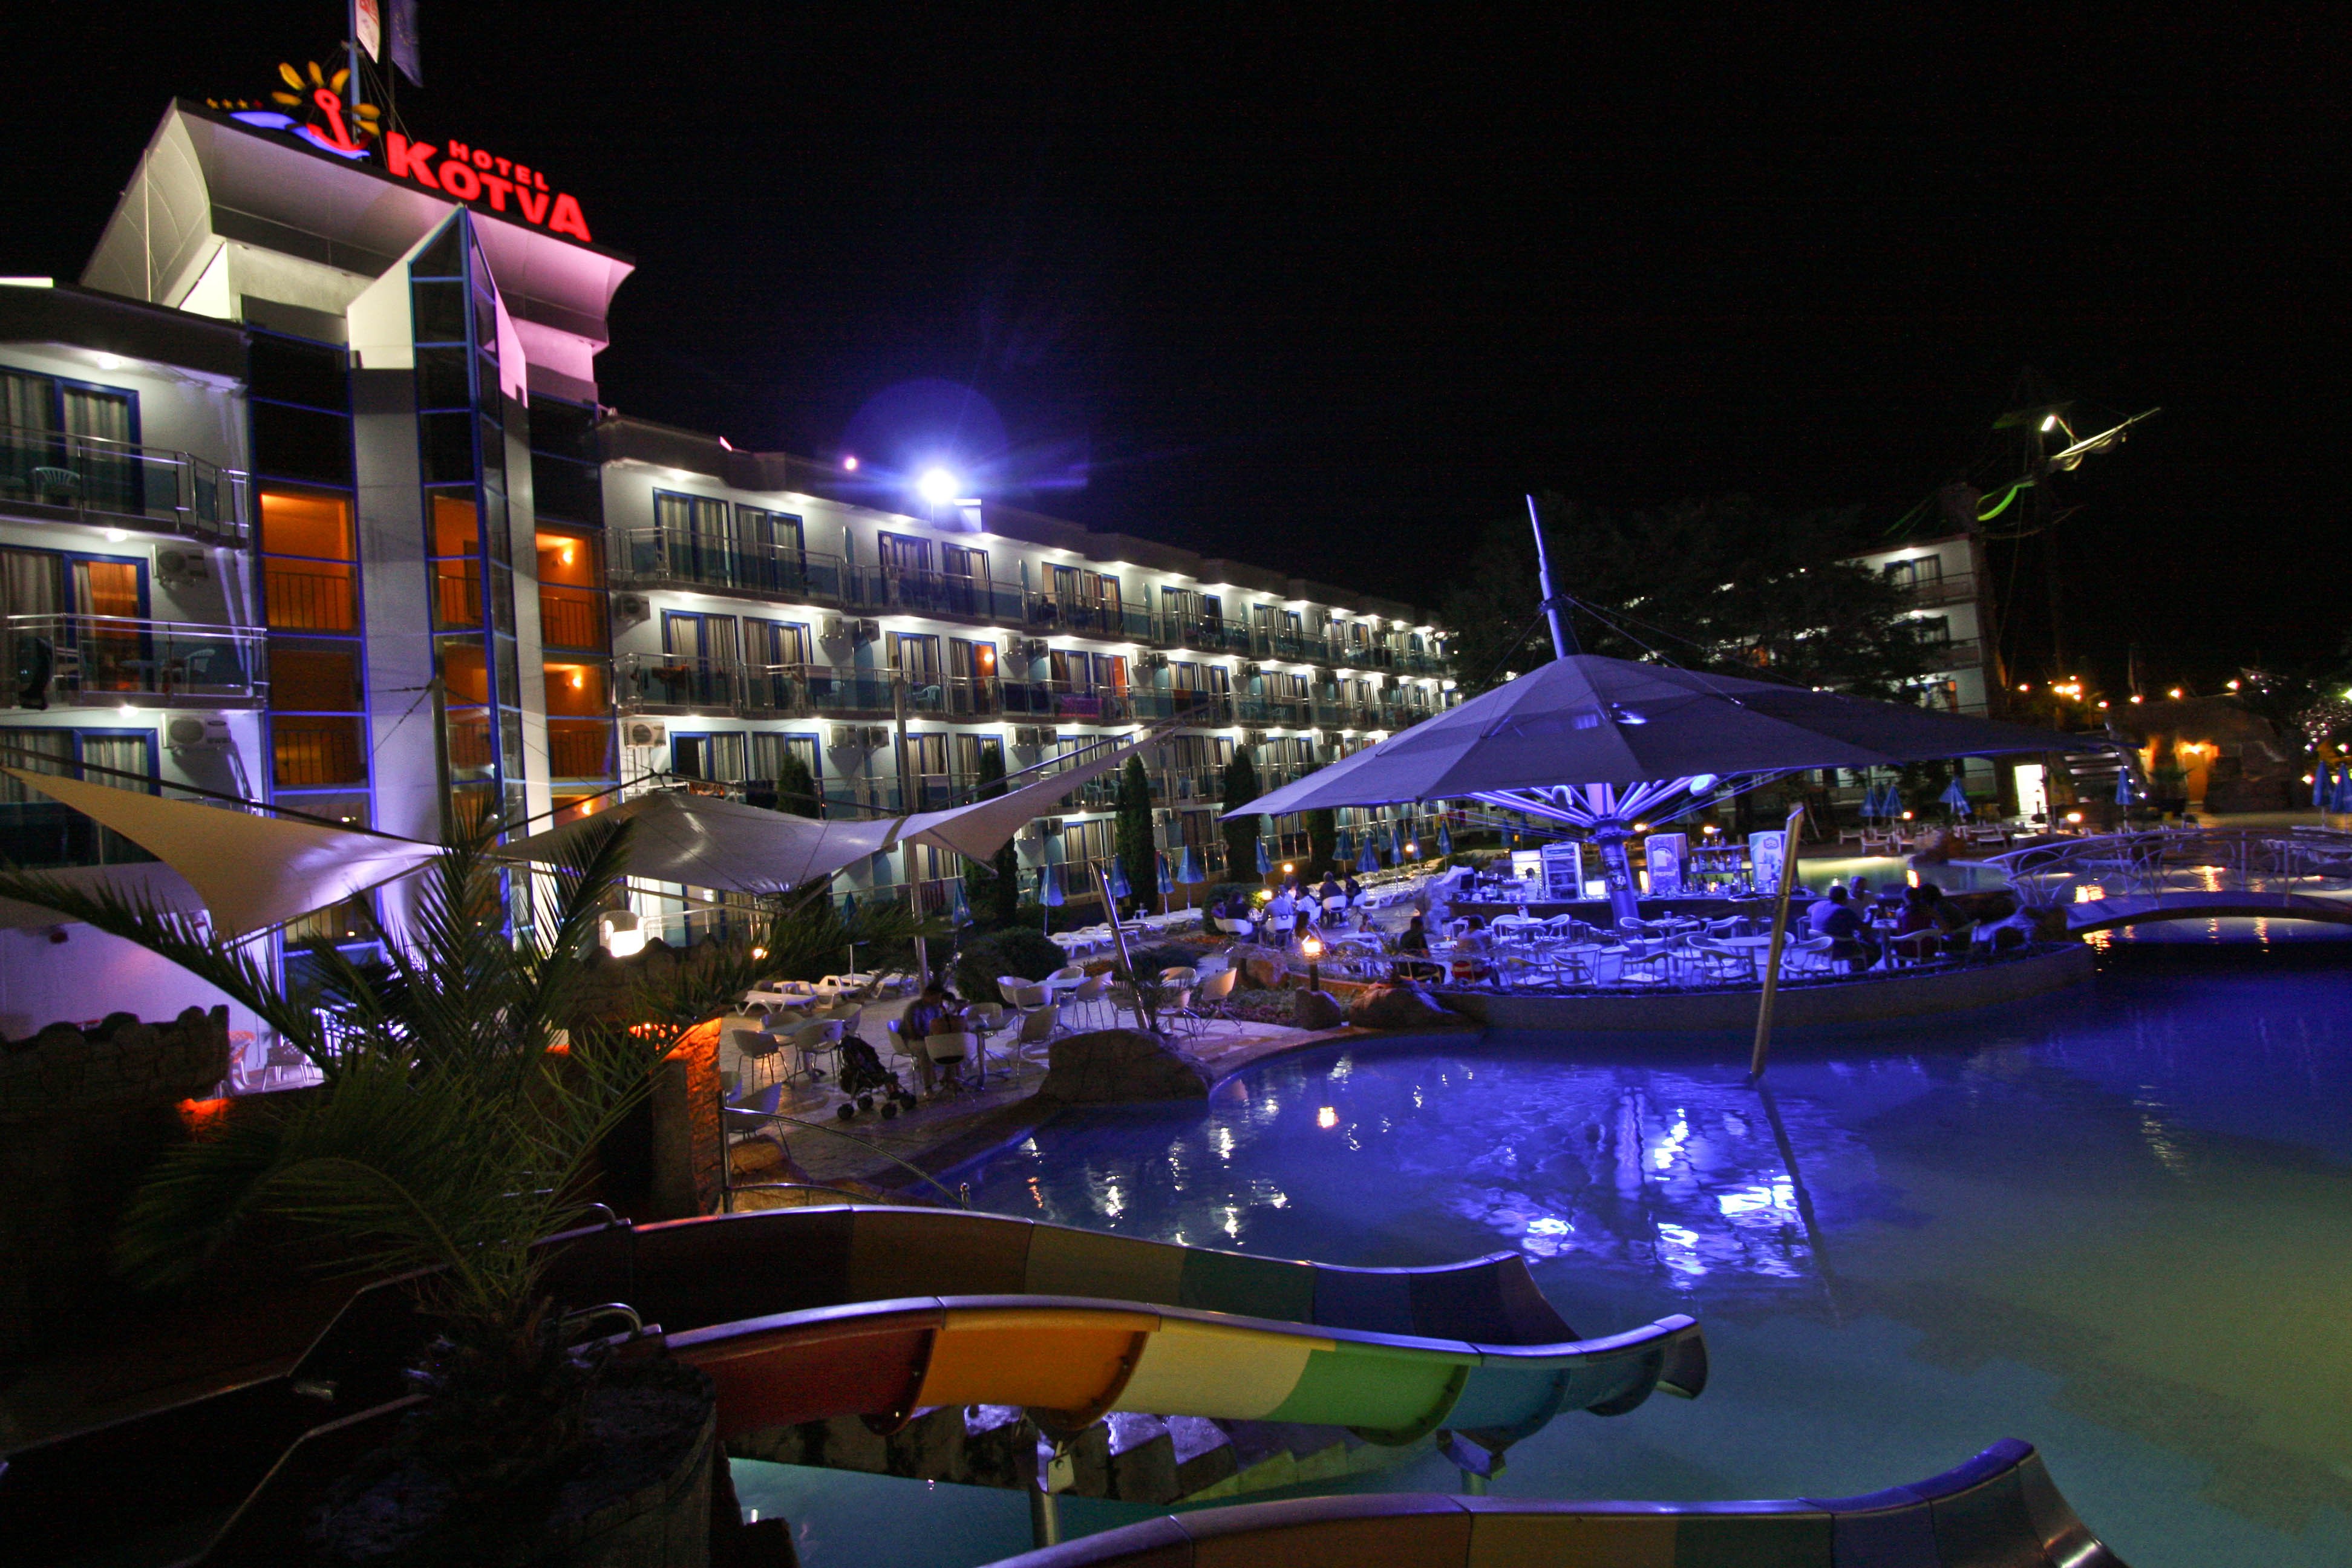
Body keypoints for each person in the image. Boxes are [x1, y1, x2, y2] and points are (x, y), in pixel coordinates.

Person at [900, 980, 965, 1094]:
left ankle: (949, 1078)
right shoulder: (914, 1008)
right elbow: (912, 1031)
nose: (939, 1001)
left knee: (953, 1045)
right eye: (937, 998)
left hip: (931, 1038)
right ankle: (929, 1087)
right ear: (927, 995)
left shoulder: (936, 1007)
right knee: (926, 1049)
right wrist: (933, 1039)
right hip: (913, 1040)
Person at [1813, 885, 1880, 972]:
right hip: (1838, 949)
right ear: (1846, 898)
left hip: (1820, 947)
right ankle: (1857, 973)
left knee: (1861, 940)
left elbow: (1808, 910)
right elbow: (1865, 929)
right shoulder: (1843, 911)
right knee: (1876, 949)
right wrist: (1871, 914)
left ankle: (1856, 970)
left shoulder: (1819, 905)